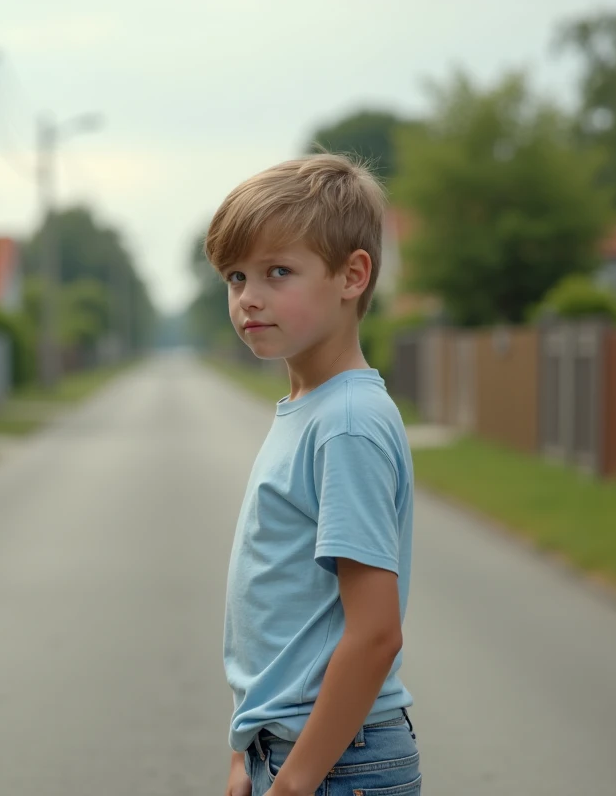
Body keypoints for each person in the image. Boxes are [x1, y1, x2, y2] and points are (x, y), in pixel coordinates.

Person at [208, 154, 420, 796]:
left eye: (279, 271)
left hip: (337, 764)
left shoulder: (347, 423)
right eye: (237, 275)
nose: (249, 297)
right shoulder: (309, 408)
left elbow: (375, 632)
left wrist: (296, 781)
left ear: (352, 275)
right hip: (295, 747)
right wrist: (250, 748)